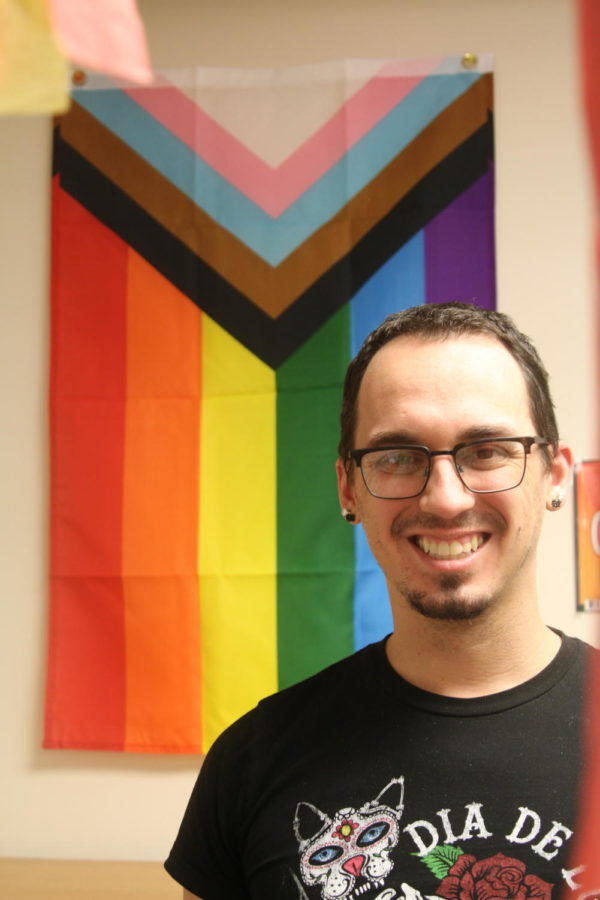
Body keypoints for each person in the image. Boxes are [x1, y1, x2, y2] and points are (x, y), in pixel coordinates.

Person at [165, 302, 595, 900]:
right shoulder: (251, 761)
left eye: (488, 449)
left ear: (554, 476)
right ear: (349, 489)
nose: (446, 500)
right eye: (397, 457)